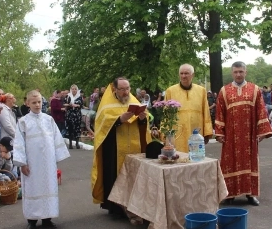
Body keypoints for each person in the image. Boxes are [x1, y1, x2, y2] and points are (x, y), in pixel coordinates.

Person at [215, 61, 272, 206]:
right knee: (229, 163)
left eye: (241, 71)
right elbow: (219, 113)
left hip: (249, 135)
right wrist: (220, 133)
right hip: (231, 135)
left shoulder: (254, 90)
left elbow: (261, 110)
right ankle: (229, 195)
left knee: (250, 163)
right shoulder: (224, 91)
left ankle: (250, 194)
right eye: (236, 72)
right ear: (232, 73)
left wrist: (261, 131)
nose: (238, 74)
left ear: (245, 72)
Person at [91, 77, 151, 218]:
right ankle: (116, 208)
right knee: (114, 175)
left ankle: (134, 206)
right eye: (122, 89)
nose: (125, 92)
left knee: (134, 175)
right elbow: (101, 127)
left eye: (128, 88)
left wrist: (142, 118)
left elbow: (144, 123)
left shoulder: (134, 101)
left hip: (134, 146)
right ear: (115, 89)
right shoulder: (106, 105)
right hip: (114, 148)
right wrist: (119, 120)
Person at [13, 90, 70, 229]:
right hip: (32, 164)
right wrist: (23, 163)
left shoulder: (48, 119)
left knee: (49, 187)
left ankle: (47, 219)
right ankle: (31, 220)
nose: (37, 105)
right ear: (27, 103)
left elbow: (56, 138)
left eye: (39, 102)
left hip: (48, 163)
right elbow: (19, 144)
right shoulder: (23, 122)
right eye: (34, 102)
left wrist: (56, 157)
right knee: (32, 189)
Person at [164, 64, 213, 152]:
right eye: (181, 73)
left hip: (197, 131)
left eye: (186, 73)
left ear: (192, 75)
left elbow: (206, 111)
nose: (183, 76)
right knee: (178, 158)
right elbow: (166, 114)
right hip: (177, 132)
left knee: (196, 158)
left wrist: (207, 132)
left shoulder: (201, 91)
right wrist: (165, 133)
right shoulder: (170, 91)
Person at [64, 84, 83, 149]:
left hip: (77, 115)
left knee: (77, 128)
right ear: (71, 90)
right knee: (70, 128)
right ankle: (70, 144)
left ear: (77, 90)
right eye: (73, 89)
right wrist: (70, 105)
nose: (74, 90)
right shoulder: (68, 96)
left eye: (75, 89)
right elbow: (64, 104)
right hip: (70, 114)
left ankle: (77, 143)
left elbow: (81, 105)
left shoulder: (79, 97)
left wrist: (76, 105)